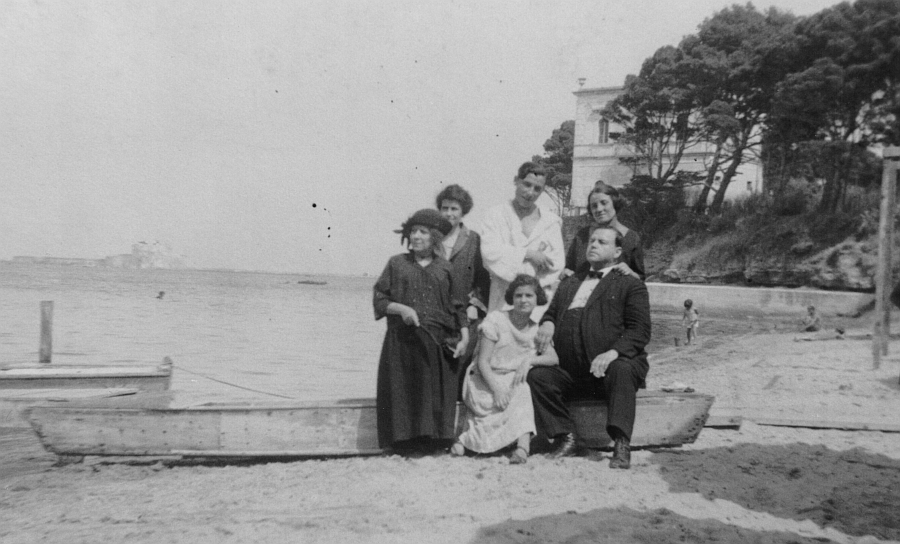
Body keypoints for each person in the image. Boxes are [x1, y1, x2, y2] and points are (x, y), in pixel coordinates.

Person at [528, 225, 651, 469]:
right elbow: (550, 314)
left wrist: (612, 352)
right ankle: (566, 436)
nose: (593, 244)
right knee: (538, 376)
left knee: (623, 369)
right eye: (591, 240)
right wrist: (549, 324)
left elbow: (640, 331)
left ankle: (621, 443)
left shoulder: (630, 284)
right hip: (572, 370)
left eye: (601, 242)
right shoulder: (570, 282)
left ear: (617, 252)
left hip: (610, 369)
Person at [373, 209, 470, 454]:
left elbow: (458, 307)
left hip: (437, 342)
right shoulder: (397, 264)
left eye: (423, 232)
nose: (416, 237)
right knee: (403, 391)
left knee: (434, 393)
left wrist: (465, 337)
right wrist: (402, 309)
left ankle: (435, 442)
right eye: (413, 232)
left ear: (435, 237)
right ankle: (403, 444)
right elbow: (380, 299)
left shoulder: (445, 268)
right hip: (402, 342)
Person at [451, 275, 559, 464]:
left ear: (537, 299)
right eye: (518, 296)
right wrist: (497, 389)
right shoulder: (496, 320)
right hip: (485, 379)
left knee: (523, 388)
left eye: (529, 296)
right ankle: (468, 441)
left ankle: (522, 448)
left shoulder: (536, 329)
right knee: (500, 405)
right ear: (512, 298)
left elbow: (553, 358)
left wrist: (529, 361)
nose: (523, 300)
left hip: (511, 381)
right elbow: (482, 362)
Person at [481, 162, 565, 320]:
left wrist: (532, 286)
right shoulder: (495, 215)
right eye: (527, 184)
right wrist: (528, 254)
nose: (530, 192)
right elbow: (490, 253)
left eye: (537, 189)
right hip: (502, 299)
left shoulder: (550, 222)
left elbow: (556, 263)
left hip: (537, 302)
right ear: (516, 180)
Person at [435, 184, 491, 383]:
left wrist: (475, 305)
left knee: (459, 371)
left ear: (463, 212)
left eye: (454, 209)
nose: (449, 213)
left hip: (465, 317)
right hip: (435, 315)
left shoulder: (474, 240)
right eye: (445, 208)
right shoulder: (431, 238)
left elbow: (483, 280)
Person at [563, 181, 645, 280]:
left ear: (615, 203)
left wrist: (630, 272)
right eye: (594, 206)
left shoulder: (631, 238)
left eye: (604, 203)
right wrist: (565, 272)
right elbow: (568, 268)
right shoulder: (582, 236)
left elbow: (640, 278)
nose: (599, 209)